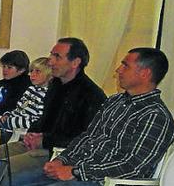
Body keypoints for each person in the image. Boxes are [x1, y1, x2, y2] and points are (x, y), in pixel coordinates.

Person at [13, 48, 174, 186]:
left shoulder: (155, 116)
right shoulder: (114, 102)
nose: (118, 70)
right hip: (76, 172)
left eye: (125, 66)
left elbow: (133, 167)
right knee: (7, 184)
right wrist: (61, 160)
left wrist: (75, 172)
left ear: (145, 73)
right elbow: (87, 137)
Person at [13, 38, 107, 173]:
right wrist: (32, 134)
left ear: (75, 62)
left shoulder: (91, 95)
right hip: (39, 145)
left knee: (3, 170)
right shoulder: (55, 84)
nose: (50, 61)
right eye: (51, 55)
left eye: (57, 57)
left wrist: (44, 140)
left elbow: (85, 139)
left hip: (59, 155)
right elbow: (45, 119)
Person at [0, 56, 51, 140]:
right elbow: (19, 108)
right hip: (13, 122)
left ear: (49, 75)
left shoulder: (46, 95)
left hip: (24, 129)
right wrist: (8, 115)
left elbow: (37, 121)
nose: (32, 74)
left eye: (38, 71)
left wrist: (11, 121)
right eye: (31, 71)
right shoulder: (31, 89)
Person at [0, 50, 31, 116]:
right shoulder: (1, 83)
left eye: (9, 67)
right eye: (4, 66)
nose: (5, 70)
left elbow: (13, 106)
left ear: (21, 70)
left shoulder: (27, 85)